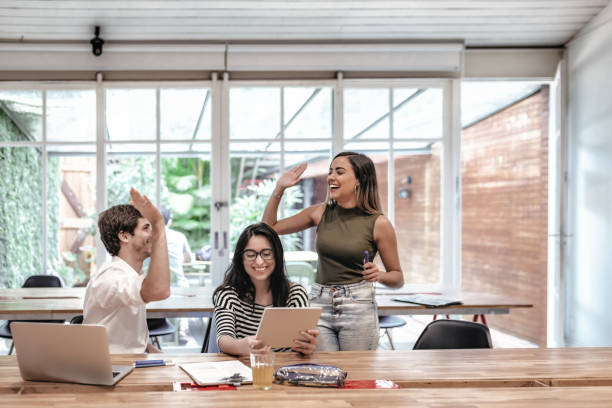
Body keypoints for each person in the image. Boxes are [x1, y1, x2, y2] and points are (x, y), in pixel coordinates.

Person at [262, 151, 404, 351]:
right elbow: (268, 229)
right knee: (322, 375)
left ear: (359, 180)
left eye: (339, 172)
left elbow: (398, 278)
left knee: (356, 376)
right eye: (330, 172)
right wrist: (279, 188)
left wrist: (379, 275)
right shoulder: (320, 212)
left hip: (358, 306)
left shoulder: (379, 223)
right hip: (319, 304)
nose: (331, 177)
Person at [83, 188, 170, 354]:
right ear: (124, 236)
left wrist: (151, 350)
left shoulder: (132, 274)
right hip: (110, 368)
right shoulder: (110, 278)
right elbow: (160, 290)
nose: (151, 234)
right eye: (146, 228)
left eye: (150, 228)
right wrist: (158, 224)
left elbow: (128, 341)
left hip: (128, 363)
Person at [212, 223, 319, 356]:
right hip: (245, 369)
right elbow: (224, 338)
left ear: (277, 256)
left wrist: (308, 346)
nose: (259, 261)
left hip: (286, 370)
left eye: (266, 254)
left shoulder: (296, 294)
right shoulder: (227, 295)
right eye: (251, 255)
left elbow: (304, 341)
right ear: (241, 259)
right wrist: (242, 346)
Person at [161, 207, 192, 288]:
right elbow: (188, 259)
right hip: (179, 285)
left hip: (151, 288)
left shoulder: (144, 238)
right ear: (169, 222)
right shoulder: (179, 237)